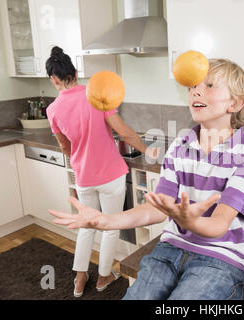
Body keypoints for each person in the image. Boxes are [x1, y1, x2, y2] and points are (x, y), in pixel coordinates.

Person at [49, 58, 244, 300]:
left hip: (222, 258)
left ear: (235, 102)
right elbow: (157, 207)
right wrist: (104, 220)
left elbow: (218, 225)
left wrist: (188, 221)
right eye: (192, 86)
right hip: (170, 249)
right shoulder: (179, 147)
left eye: (210, 85)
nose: (196, 90)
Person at [45, 46, 159, 298]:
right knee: (110, 226)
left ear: (53, 79)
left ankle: (80, 278)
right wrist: (147, 150)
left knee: (86, 226)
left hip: (84, 177)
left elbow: (65, 146)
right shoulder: (96, 96)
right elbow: (124, 131)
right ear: (76, 72)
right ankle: (104, 277)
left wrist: (79, 159)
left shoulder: (52, 110)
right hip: (111, 175)